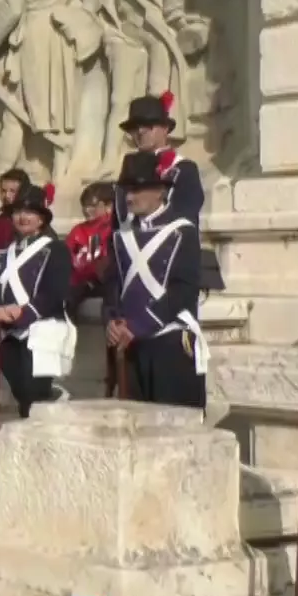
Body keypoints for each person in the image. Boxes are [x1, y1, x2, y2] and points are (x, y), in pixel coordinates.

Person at [105, 150, 207, 408]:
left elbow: (183, 291)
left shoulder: (183, 232)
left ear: (160, 191)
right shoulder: (120, 237)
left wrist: (138, 326)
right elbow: (113, 284)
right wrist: (112, 321)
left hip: (169, 345)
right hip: (130, 347)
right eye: (127, 190)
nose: (129, 197)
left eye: (137, 190)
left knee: (173, 432)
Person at [0, 185, 73, 418]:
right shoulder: (2, 254)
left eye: (30, 212)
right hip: (10, 333)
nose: (23, 217)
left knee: (35, 398)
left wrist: (22, 313)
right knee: (22, 394)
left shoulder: (56, 249)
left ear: (41, 219)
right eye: (17, 212)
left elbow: (55, 292)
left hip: (41, 328)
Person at [116, 94, 203, 225]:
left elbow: (186, 219)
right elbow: (118, 220)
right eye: (134, 127)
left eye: (148, 126)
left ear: (165, 128)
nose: (140, 131)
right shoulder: (129, 166)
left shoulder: (184, 168)